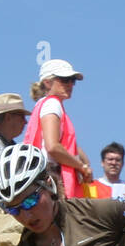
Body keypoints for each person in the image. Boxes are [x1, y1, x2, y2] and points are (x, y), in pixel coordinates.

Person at [23, 58, 90, 197]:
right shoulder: (53, 104)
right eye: (65, 80)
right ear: (48, 82)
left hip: (40, 173)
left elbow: (66, 144)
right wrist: (81, 167)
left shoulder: (43, 103)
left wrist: (84, 162)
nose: (70, 84)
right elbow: (53, 147)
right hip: (51, 175)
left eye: (73, 80)